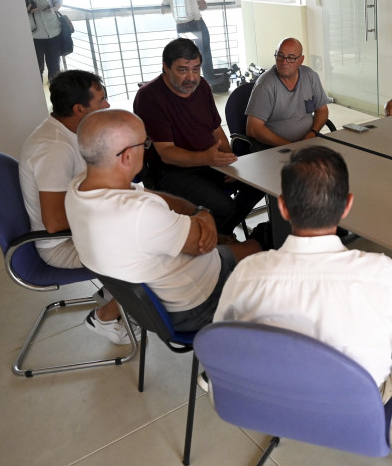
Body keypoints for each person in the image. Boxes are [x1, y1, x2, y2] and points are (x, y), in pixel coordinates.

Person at [215, 145, 392, 402]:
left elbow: (224, 344)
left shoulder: (247, 273)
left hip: (276, 397)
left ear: (282, 207)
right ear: (347, 206)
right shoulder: (382, 273)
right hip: (356, 404)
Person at [65, 109, 262, 332]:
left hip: (175, 282)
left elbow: (146, 195)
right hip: (197, 305)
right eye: (144, 144)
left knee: (254, 246)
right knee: (271, 256)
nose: (146, 149)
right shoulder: (141, 214)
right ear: (127, 156)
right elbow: (201, 243)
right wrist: (204, 214)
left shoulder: (82, 186)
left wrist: (196, 211)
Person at [19, 70, 132, 344]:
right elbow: (56, 223)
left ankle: (115, 292)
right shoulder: (55, 149)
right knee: (151, 247)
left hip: (78, 233)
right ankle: (105, 316)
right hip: (60, 245)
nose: (107, 105)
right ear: (79, 109)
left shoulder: (68, 130)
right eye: (101, 100)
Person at [134, 38, 263, 237]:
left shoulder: (201, 86)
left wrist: (231, 160)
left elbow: (215, 129)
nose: (191, 78)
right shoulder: (149, 97)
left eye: (196, 69)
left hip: (209, 162)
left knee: (258, 184)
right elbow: (167, 153)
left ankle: (221, 234)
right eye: (183, 70)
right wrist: (207, 158)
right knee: (223, 207)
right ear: (165, 68)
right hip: (171, 171)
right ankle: (212, 239)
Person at [244, 38, 330, 147]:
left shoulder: (310, 76)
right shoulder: (265, 84)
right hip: (276, 148)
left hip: (308, 143)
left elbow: (322, 110)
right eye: (280, 56)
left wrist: (313, 132)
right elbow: (253, 129)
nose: (284, 62)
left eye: (290, 58)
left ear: (301, 60)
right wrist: (290, 146)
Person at [161, 0, 215, 83]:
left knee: (185, 55)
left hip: (182, 26)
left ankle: (188, 80)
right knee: (205, 51)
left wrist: (174, 8)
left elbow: (163, 10)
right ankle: (209, 80)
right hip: (197, 23)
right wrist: (194, 8)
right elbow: (203, 6)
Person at [23, 0, 63, 81]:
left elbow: (59, 0)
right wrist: (27, 10)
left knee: (55, 68)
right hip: (34, 35)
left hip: (54, 31)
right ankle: (38, 96)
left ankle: (58, 96)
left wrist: (53, 8)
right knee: (37, 69)